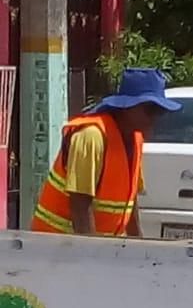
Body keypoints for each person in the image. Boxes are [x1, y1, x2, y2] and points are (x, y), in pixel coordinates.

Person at [32, 67, 181, 236]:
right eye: (150, 110)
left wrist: (138, 247)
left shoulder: (135, 138)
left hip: (96, 247)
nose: (155, 118)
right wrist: (94, 255)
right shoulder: (92, 136)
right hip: (55, 244)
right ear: (127, 107)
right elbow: (80, 206)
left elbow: (130, 202)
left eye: (159, 112)